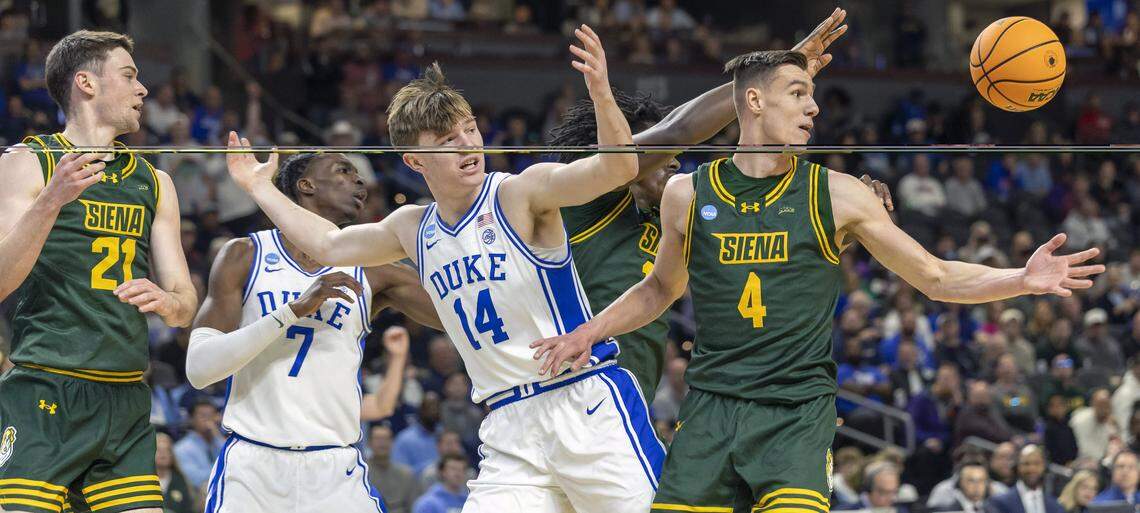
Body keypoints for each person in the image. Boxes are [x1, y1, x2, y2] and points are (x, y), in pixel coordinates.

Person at [531, 48, 1104, 512]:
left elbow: (935, 276)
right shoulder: (687, 192)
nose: (813, 110)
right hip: (709, 408)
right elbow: (659, 289)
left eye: (813, 98)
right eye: (798, 94)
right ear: (752, 102)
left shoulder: (838, 193)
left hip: (794, 411)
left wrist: (1020, 279)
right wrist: (588, 332)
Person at [225, 25, 668, 513]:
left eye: (471, 129)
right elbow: (329, 244)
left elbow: (617, 169)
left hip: (583, 402)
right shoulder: (412, 227)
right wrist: (259, 188)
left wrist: (602, 94)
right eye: (447, 138)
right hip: (508, 422)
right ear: (414, 158)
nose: (467, 144)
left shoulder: (520, 192)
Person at [547, 7, 855, 400]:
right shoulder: (588, 199)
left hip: (628, 396)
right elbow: (679, 130)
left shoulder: (679, 217)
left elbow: (772, 246)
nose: (673, 162)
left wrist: (846, 218)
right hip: (569, 376)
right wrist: (769, 84)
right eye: (658, 156)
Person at [0, 30, 198, 513]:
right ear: (86, 83)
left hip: (125, 396)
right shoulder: (28, 163)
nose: (143, 89)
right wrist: (51, 201)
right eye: (129, 75)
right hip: (45, 387)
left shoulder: (155, 182)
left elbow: (186, 304)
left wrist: (169, 302)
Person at [186, 152, 438, 512]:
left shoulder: (374, 268)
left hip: (335, 467)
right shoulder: (245, 255)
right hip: (254, 465)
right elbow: (199, 369)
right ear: (306, 185)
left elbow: (457, 313)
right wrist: (291, 312)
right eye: (343, 171)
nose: (360, 181)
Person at [985, 445, 1063, 513]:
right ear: (1017, 466)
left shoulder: (1056, 506)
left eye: (1037, 463)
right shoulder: (1000, 502)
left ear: (1044, 467)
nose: (1032, 469)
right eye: (1026, 463)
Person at [366, 424, 421, 513]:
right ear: (369, 443)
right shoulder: (361, 474)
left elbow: (414, 507)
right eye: (378, 439)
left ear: (392, 443)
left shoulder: (406, 475)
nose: (382, 443)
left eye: (386, 439)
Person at [172, 399, 224, 489]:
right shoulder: (182, 448)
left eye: (211, 415)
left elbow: (232, 461)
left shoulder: (219, 441)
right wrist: (223, 471)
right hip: (198, 494)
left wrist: (217, 435)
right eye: (203, 416)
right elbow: (195, 479)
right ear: (191, 419)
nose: (208, 420)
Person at [155, 432, 196, 513]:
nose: (163, 454)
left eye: (167, 450)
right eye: (159, 450)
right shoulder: (145, 481)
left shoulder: (181, 480)